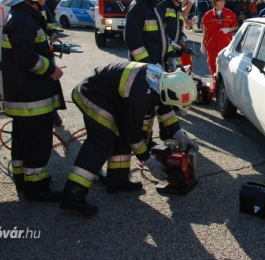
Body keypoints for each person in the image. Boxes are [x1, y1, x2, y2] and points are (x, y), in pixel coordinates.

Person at [59, 63, 199, 215]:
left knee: (121, 138)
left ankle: (118, 182)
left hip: (111, 97)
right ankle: (72, 196)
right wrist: (150, 162)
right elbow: (134, 137)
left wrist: (181, 136)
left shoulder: (162, 82)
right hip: (92, 93)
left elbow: (165, 109)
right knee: (101, 143)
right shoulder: (141, 95)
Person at [0, 0, 65, 201]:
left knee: (22, 141)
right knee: (37, 142)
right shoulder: (23, 20)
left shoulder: (24, 16)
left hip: (25, 96)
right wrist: (51, 70)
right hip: (31, 97)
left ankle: (23, 182)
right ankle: (37, 189)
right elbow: (26, 58)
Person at [125, 0, 176, 70]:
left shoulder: (155, 7)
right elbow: (134, 43)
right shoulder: (137, 8)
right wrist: (148, 65)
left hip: (157, 67)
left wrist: (171, 55)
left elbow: (164, 35)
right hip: (143, 71)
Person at [201, 0, 238, 92]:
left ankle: (225, 89)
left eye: (224, 0)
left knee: (226, 68)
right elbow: (205, 30)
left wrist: (229, 30)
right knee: (213, 67)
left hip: (225, 46)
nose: (223, 2)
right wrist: (202, 44)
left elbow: (235, 25)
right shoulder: (208, 15)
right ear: (215, 1)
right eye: (220, 0)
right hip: (212, 46)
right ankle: (215, 87)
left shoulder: (230, 13)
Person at [159, 0, 195, 69]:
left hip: (174, 52)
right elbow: (160, 33)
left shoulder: (177, 10)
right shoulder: (162, 7)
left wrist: (182, 38)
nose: (187, 1)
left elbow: (177, 28)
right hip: (163, 53)